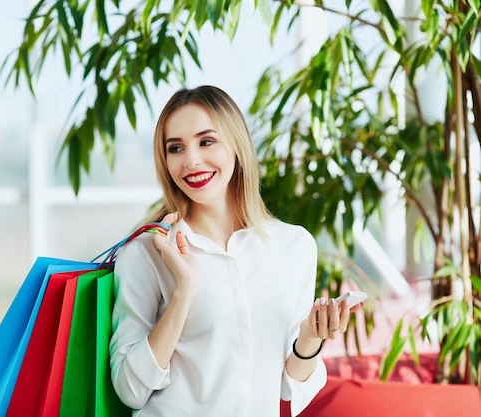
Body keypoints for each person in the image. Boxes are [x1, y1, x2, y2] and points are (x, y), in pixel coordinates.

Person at [109, 85, 361, 417]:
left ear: (236, 145)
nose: (191, 160)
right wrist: (184, 292)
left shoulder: (294, 246)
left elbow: (291, 387)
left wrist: (310, 337)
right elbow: (129, 389)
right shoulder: (146, 251)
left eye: (206, 141)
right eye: (176, 148)